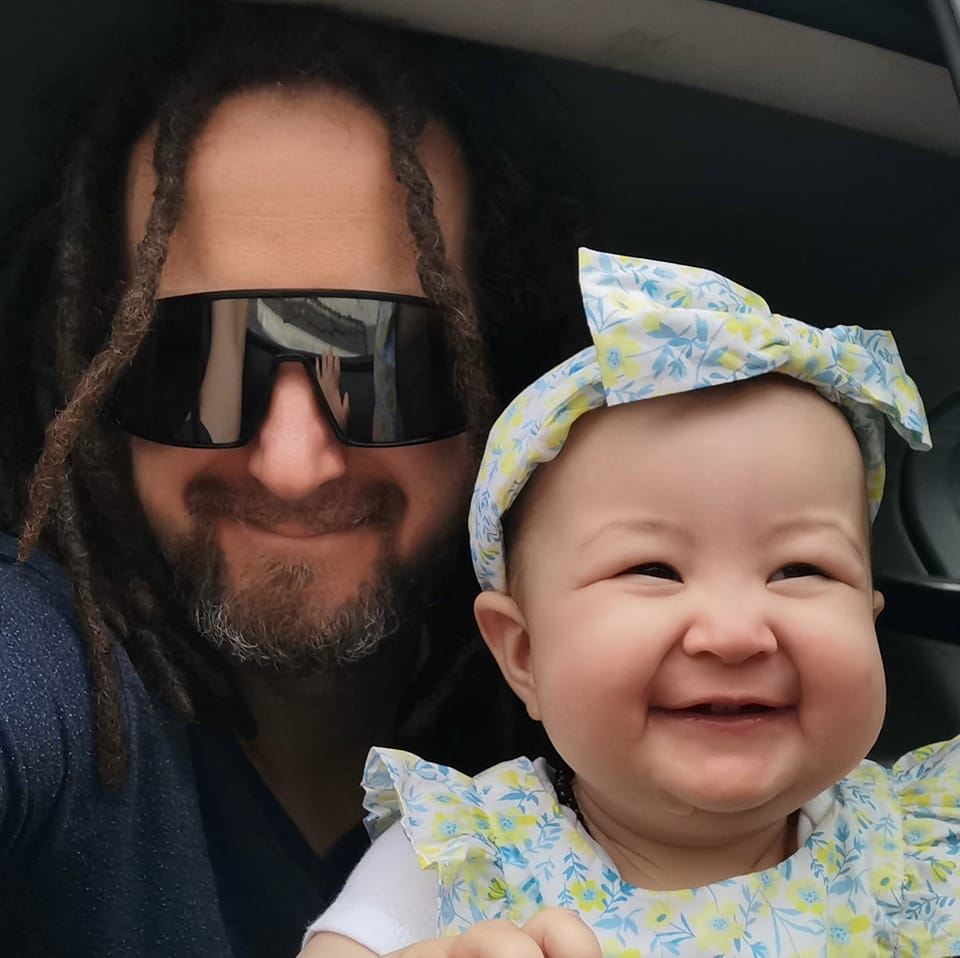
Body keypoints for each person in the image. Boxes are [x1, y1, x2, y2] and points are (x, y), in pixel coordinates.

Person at [0, 5, 587, 956]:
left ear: (500, 379)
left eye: (381, 365)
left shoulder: (627, 722)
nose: (293, 466)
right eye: (201, 362)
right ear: (98, 380)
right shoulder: (39, 666)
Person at [301, 248, 960, 957]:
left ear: (868, 620)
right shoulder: (458, 854)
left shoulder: (926, 845)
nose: (735, 632)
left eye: (801, 570)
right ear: (524, 654)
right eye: (653, 569)